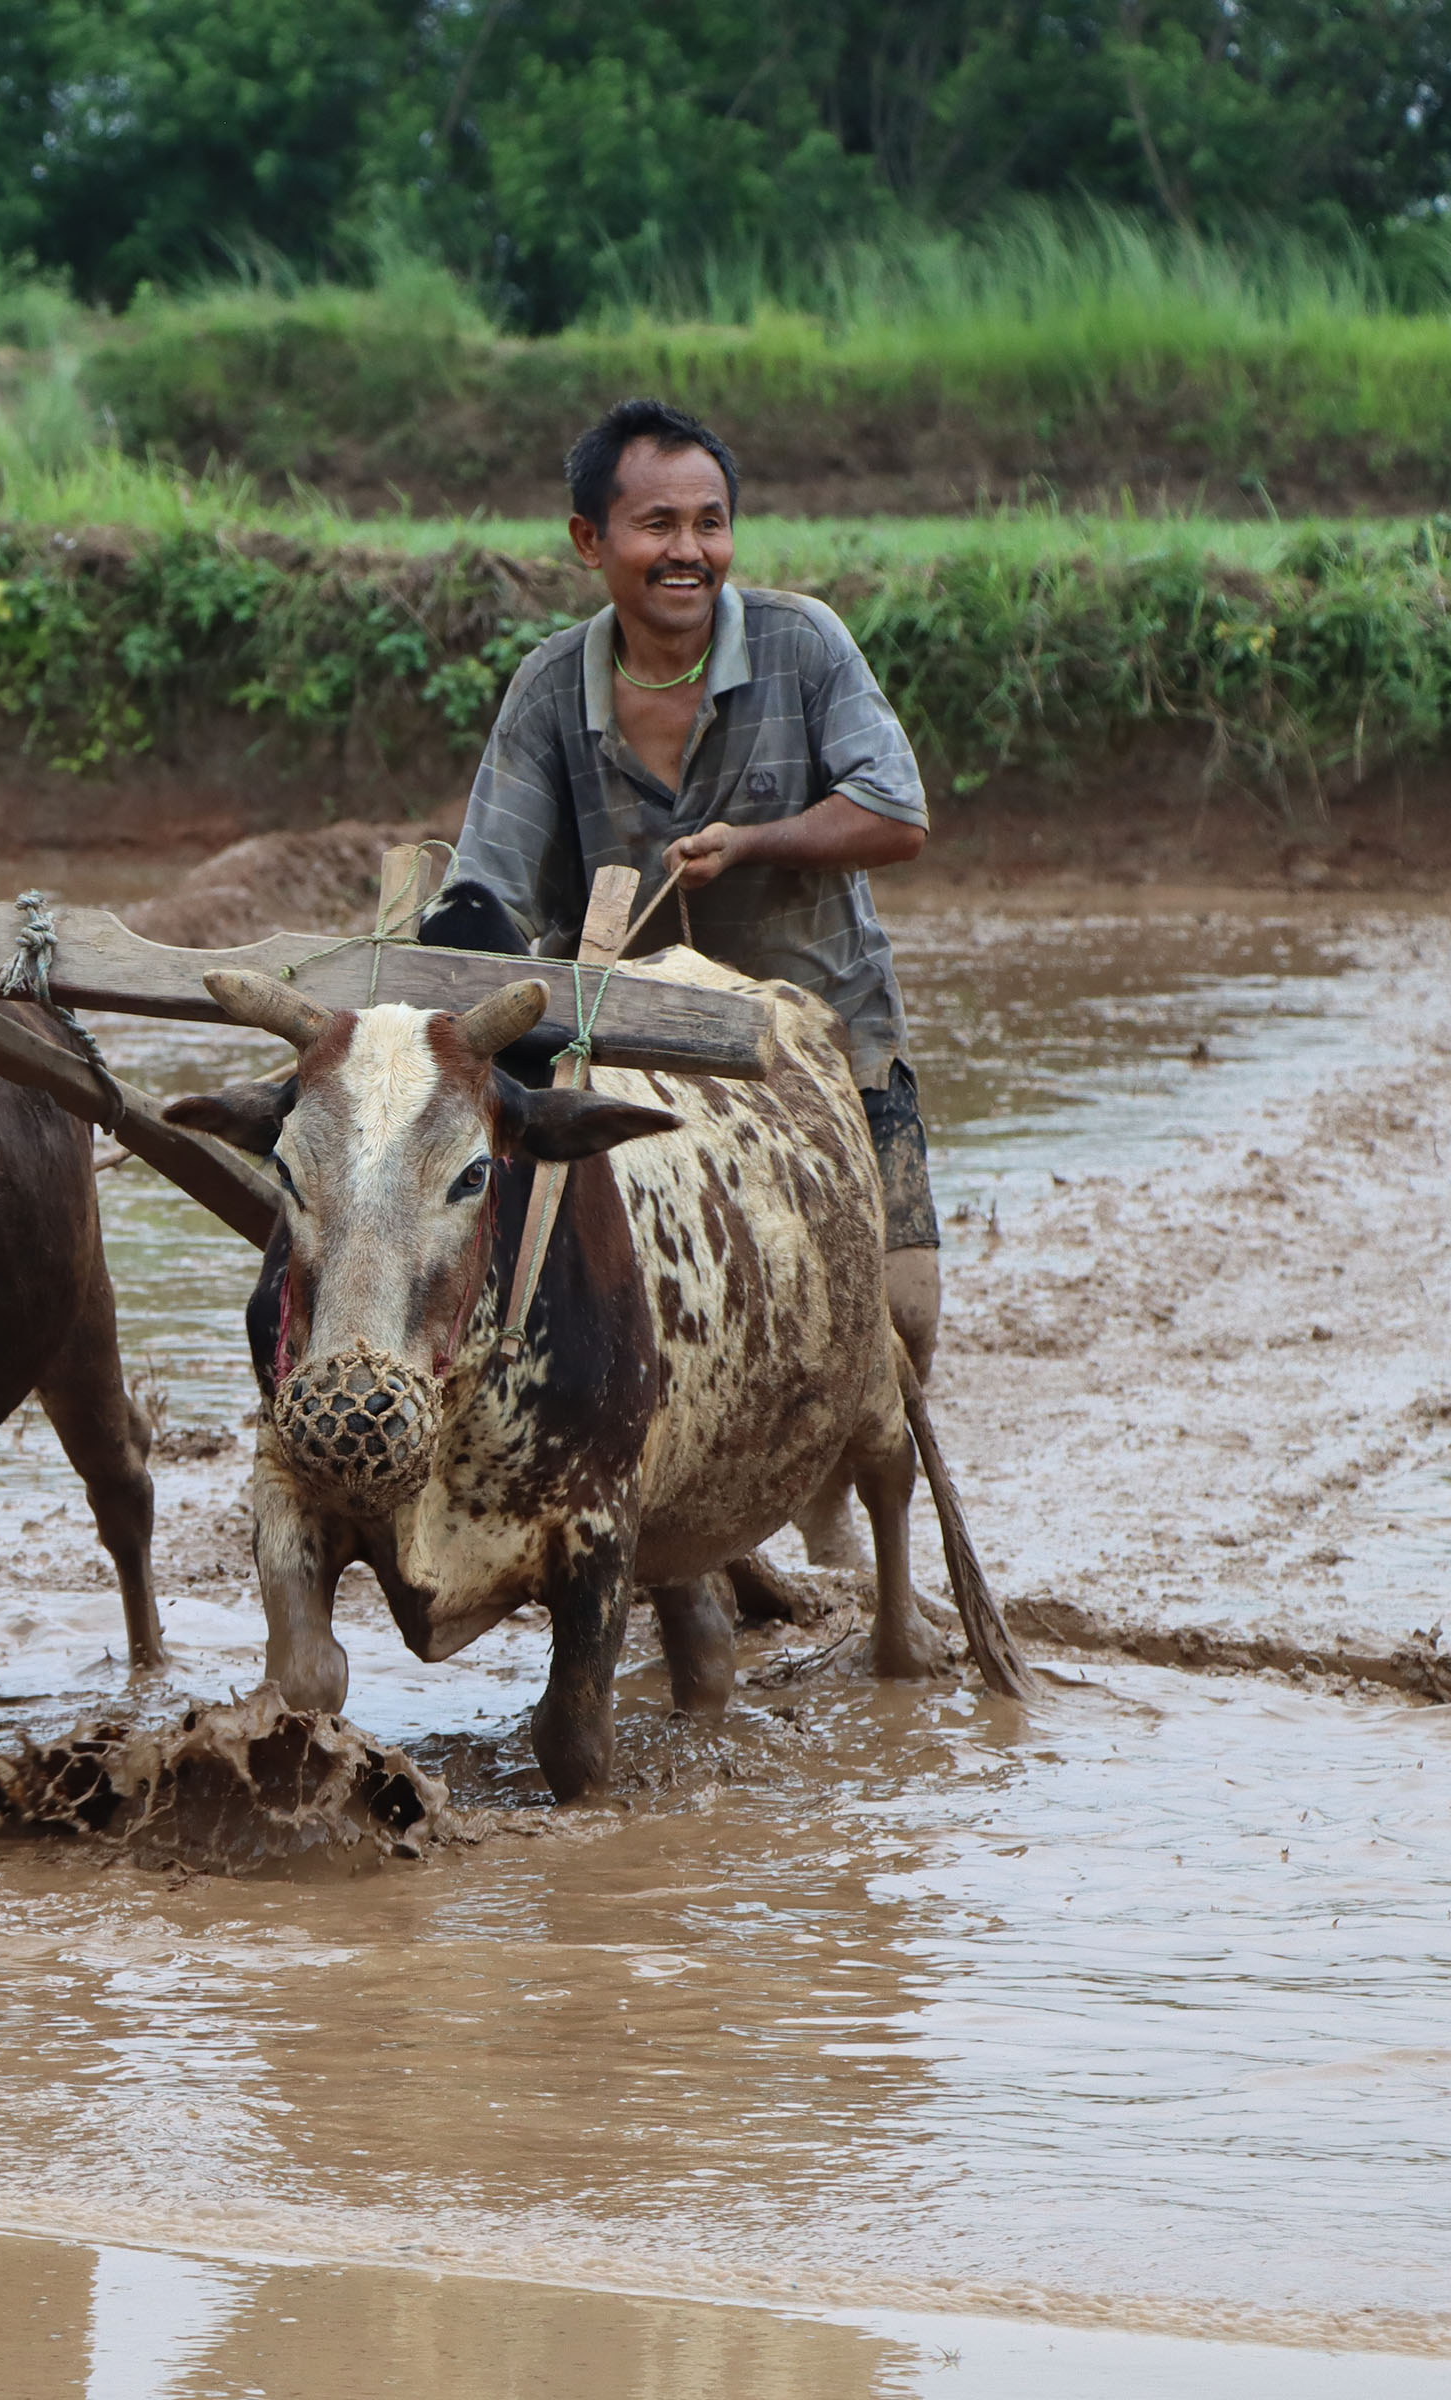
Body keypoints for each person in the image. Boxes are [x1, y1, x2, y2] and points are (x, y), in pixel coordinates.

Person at [425, 396, 937, 1569]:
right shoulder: (551, 689)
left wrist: (754, 843)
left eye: (711, 523)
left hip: (821, 1045)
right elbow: (489, 883)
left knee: (901, 1317)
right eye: (658, 524)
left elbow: (898, 814)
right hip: (633, 1058)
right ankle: (699, 1508)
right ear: (588, 541)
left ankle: (837, 1502)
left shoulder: (805, 647)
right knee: (635, 1326)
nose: (689, 551)